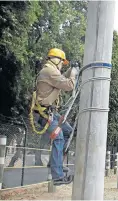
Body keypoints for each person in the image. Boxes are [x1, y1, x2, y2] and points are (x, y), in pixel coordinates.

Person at [30, 48, 78, 186]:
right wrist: (74, 72)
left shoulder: (51, 71)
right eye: (62, 62)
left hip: (51, 112)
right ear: (56, 60)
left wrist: (71, 70)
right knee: (59, 136)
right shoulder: (49, 71)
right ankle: (57, 176)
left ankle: (54, 162)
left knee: (68, 131)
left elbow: (62, 77)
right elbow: (68, 85)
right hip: (44, 113)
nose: (63, 64)